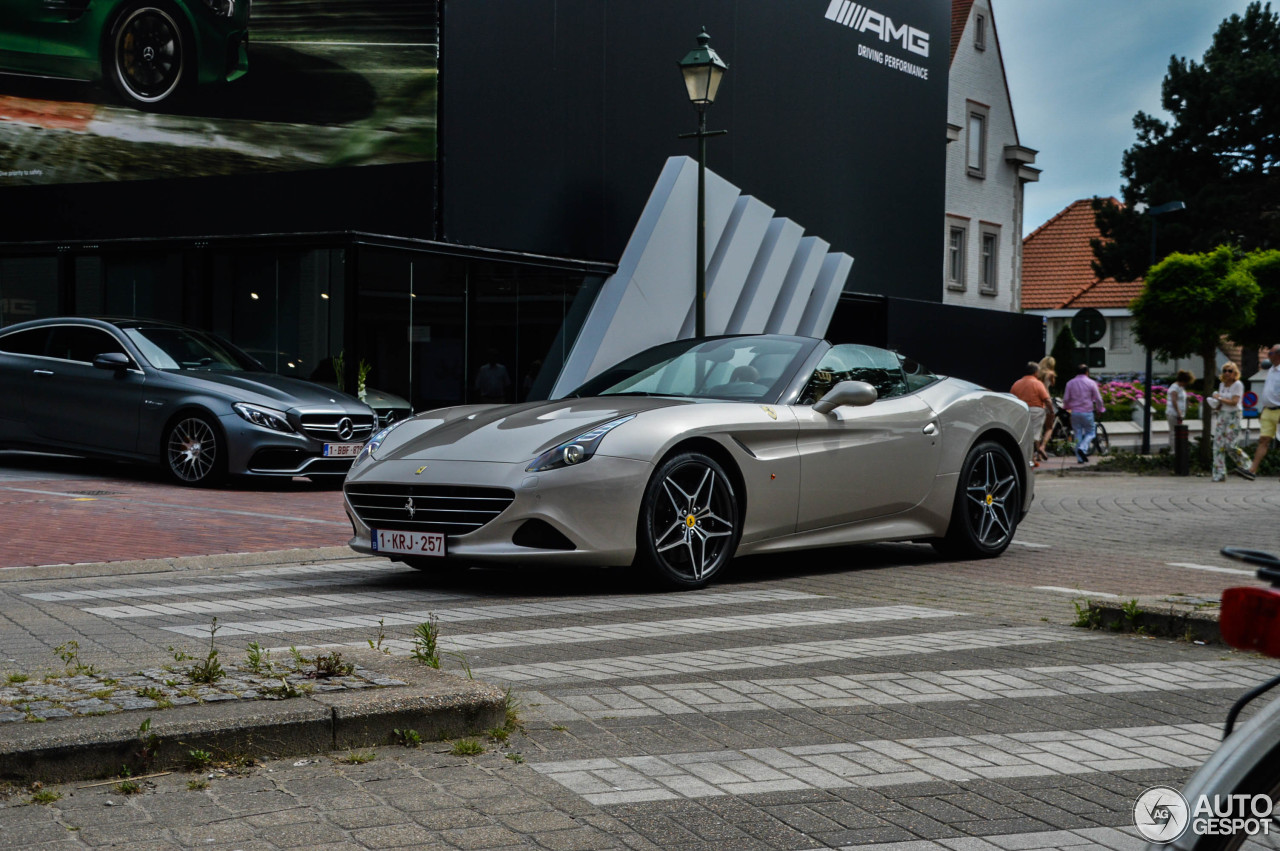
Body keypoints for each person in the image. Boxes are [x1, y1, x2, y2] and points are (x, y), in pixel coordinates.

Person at [1210, 362, 1255, 481]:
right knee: (1217, 445)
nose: (1227, 373)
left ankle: (1247, 465)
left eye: (1230, 371)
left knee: (1230, 445)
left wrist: (1219, 398)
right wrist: (1216, 405)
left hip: (1234, 415)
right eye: (1225, 370)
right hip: (1222, 414)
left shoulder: (1238, 384)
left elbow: (1234, 401)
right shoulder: (1222, 385)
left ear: (1235, 373)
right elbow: (1222, 402)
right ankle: (1219, 474)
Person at [1248, 344, 1280, 478]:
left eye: (1270, 353)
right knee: (1263, 440)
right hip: (1268, 409)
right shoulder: (1271, 370)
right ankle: (1252, 471)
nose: (1268, 356)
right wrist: (1263, 408)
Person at [1061, 364, 1105, 463]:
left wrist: (1066, 407)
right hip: (1087, 412)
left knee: (1077, 434)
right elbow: (1098, 398)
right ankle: (1083, 448)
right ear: (1087, 372)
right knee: (1090, 433)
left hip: (1075, 412)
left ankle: (1080, 458)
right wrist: (1100, 409)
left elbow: (1066, 399)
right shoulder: (1091, 383)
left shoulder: (1070, 383)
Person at [1011, 361, 1051, 466]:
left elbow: (1012, 398)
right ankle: (1032, 458)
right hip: (1036, 411)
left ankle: (1033, 455)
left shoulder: (1017, 383)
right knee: (1035, 435)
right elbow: (1047, 399)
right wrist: (1051, 410)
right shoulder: (1037, 383)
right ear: (1036, 372)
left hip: (1021, 410)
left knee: (1024, 434)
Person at [1165, 369, 1193, 451]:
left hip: (1179, 414)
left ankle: (1178, 449)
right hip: (1173, 413)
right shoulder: (1174, 387)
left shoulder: (1181, 388)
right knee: (1173, 432)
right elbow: (1174, 400)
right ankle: (1173, 450)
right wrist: (1179, 412)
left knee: (1178, 433)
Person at [1036, 356, 1058, 458]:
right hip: (1047, 399)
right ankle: (1043, 447)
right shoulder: (1050, 374)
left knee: (1038, 429)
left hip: (1038, 401)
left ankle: (1037, 454)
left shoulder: (1037, 374)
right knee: (1049, 427)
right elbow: (1053, 384)